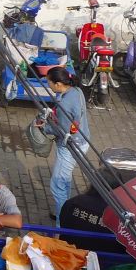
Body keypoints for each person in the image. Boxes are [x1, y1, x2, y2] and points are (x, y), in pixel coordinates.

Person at [46, 65, 90, 220]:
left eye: (49, 83)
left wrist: (44, 127)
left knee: (57, 185)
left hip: (70, 147)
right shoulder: (76, 91)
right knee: (64, 181)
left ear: (58, 84)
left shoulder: (64, 105)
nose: (48, 86)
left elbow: (61, 130)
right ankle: (63, 211)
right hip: (82, 141)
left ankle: (62, 223)